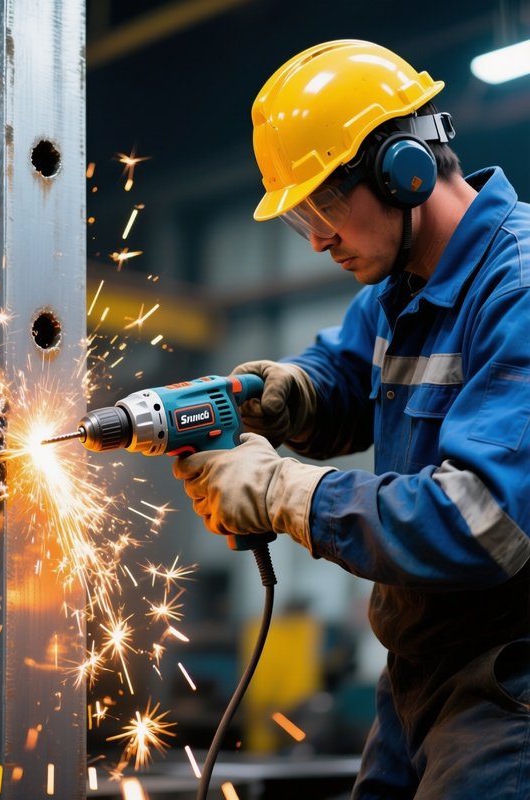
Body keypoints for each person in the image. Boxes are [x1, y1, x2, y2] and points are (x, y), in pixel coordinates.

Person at [172, 39, 530, 798]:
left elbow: (483, 521)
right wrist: (288, 393)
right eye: (300, 218)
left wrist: (283, 492)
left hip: (511, 688)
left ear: (405, 169)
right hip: (415, 676)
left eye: (326, 206)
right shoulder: (397, 293)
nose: (318, 238)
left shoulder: (518, 288)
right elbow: (343, 374)